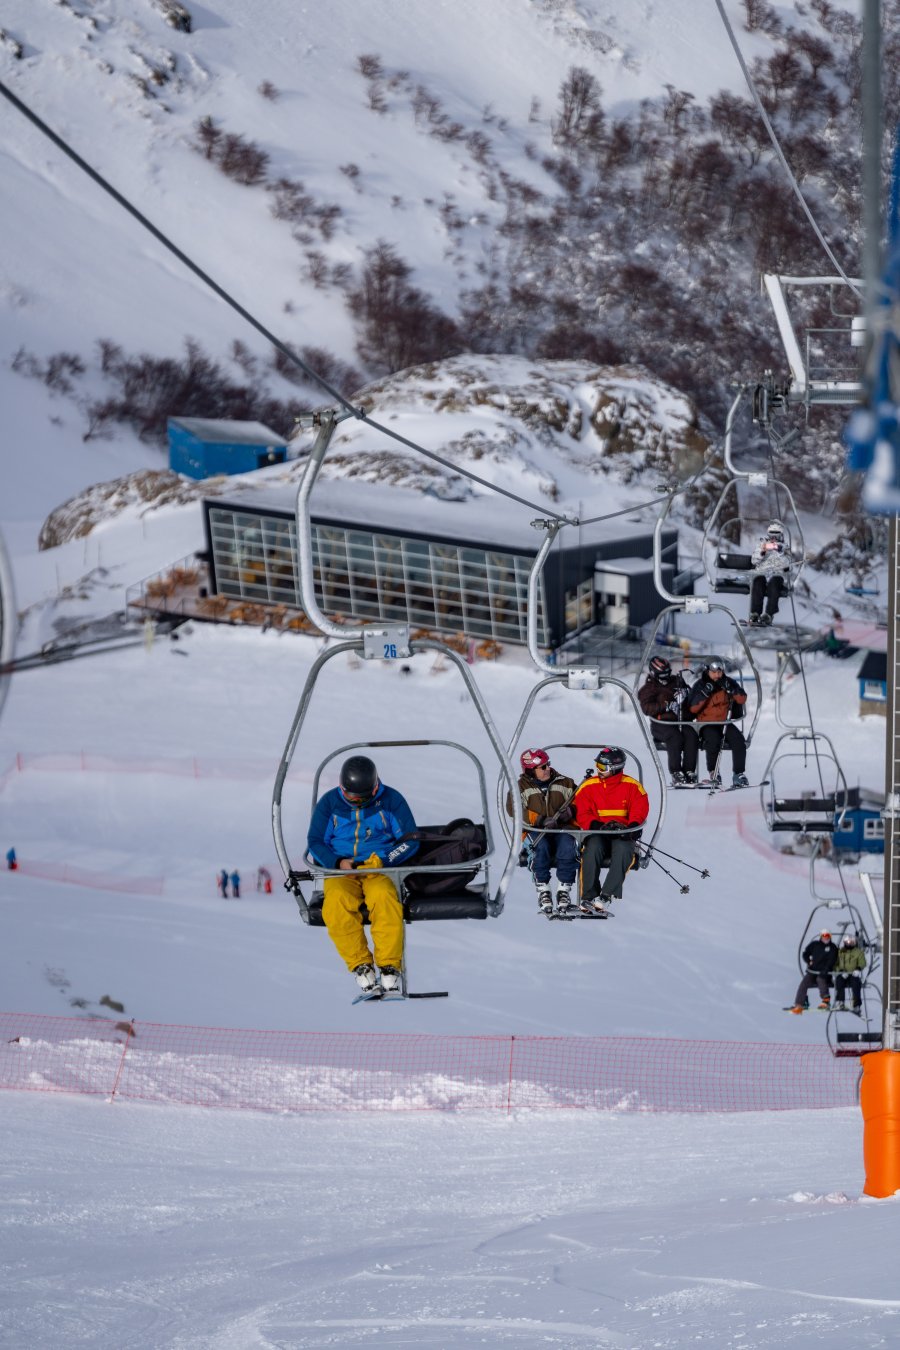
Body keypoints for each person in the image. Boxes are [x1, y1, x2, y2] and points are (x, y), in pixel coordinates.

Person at [307, 754, 418, 994]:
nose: (357, 802)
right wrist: (337, 862)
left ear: (375, 787)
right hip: (341, 870)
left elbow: (410, 840)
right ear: (342, 788)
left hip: (378, 867)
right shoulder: (329, 804)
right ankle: (360, 965)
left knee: (384, 897)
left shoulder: (391, 800)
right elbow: (315, 842)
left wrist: (385, 861)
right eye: (351, 797)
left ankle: (389, 966)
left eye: (363, 798)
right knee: (336, 903)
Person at [571, 746, 649, 913]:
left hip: (622, 834)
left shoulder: (632, 787)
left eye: (602, 768)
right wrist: (598, 826)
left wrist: (631, 829)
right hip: (598, 833)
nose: (598, 771)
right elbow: (582, 812)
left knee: (623, 851)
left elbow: (639, 810)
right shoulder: (589, 786)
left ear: (615, 768)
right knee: (592, 850)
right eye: (597, 766)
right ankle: (589, 896)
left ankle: (606, 896)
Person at [509, 748, 578, 914]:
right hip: (535, 830)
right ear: (531, 770)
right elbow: (514, 809)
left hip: (562, 829)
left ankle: (564, 890)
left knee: (568, 845)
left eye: (548, 765)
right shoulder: (520, 787)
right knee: (540, 847)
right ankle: (543, 889)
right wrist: (539, 820)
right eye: (543, 767)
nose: (547, 768)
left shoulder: (565, 783)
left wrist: (570, 812)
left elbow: (581, 800)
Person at [637, 655, 699, 786]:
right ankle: (676, 772)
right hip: (661, 725)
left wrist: (686, 692)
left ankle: (689, 770)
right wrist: (666, 705)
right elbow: (647, 708)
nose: (665, 678)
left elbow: (690, 693)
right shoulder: (649, 688)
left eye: (667, 674)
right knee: (675, 737)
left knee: (691, 735)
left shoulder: (677, 681)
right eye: (662, 675)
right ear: (654, 673)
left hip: (680, 722)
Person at [688, 657, 749, 788]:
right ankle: (713, 772)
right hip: (706, 724)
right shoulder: (700, 685)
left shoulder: (728, 682)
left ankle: (739, 774)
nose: (717, 675)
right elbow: (693, 708)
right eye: (714, 672)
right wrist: (705, 693)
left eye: (720, 672)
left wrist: (732, 690)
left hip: (724, 723)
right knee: (713, 741)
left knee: (739, 741)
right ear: (707, 671)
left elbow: (742, 699)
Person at [749, 520, 792, 626]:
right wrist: (762, 552)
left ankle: (769, 614)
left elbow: (787, 564)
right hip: (762, 572)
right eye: (771, 536)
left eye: (776, 536)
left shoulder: (785, 548)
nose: (773, 539)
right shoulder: (762, 545)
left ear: (780, 536)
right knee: (758, 581)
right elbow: (754, 561)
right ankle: (755, 613)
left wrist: (779, 552)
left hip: (777, 574)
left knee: (774, 583)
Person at [788, 929, 838, 1012]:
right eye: (824, 936)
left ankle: (826, 1001)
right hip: (813, 971)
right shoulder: (815, 945)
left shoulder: (833, 948)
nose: (826, 938)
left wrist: (826, 970)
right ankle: (800, 1004)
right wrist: (808, 961)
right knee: (805, 982)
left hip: (825, 973)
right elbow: (805, 953)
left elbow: (832, 960)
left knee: (820, 979)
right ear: (821, 936)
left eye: (828, 936)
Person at [833, 932, 866, 1011]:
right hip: (843, 973)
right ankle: (841, 1002)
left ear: (854, 943)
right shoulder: (840, 952)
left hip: (853, 974)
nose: (849, 944)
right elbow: (835, 964)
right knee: (839, 981)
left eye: (851, 943)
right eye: (847, 942)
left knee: (856, 984)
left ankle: (856, 1004)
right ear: (844, 943)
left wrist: (858, 969)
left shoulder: (858, 952)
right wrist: (840, 970)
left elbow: (862, 962)